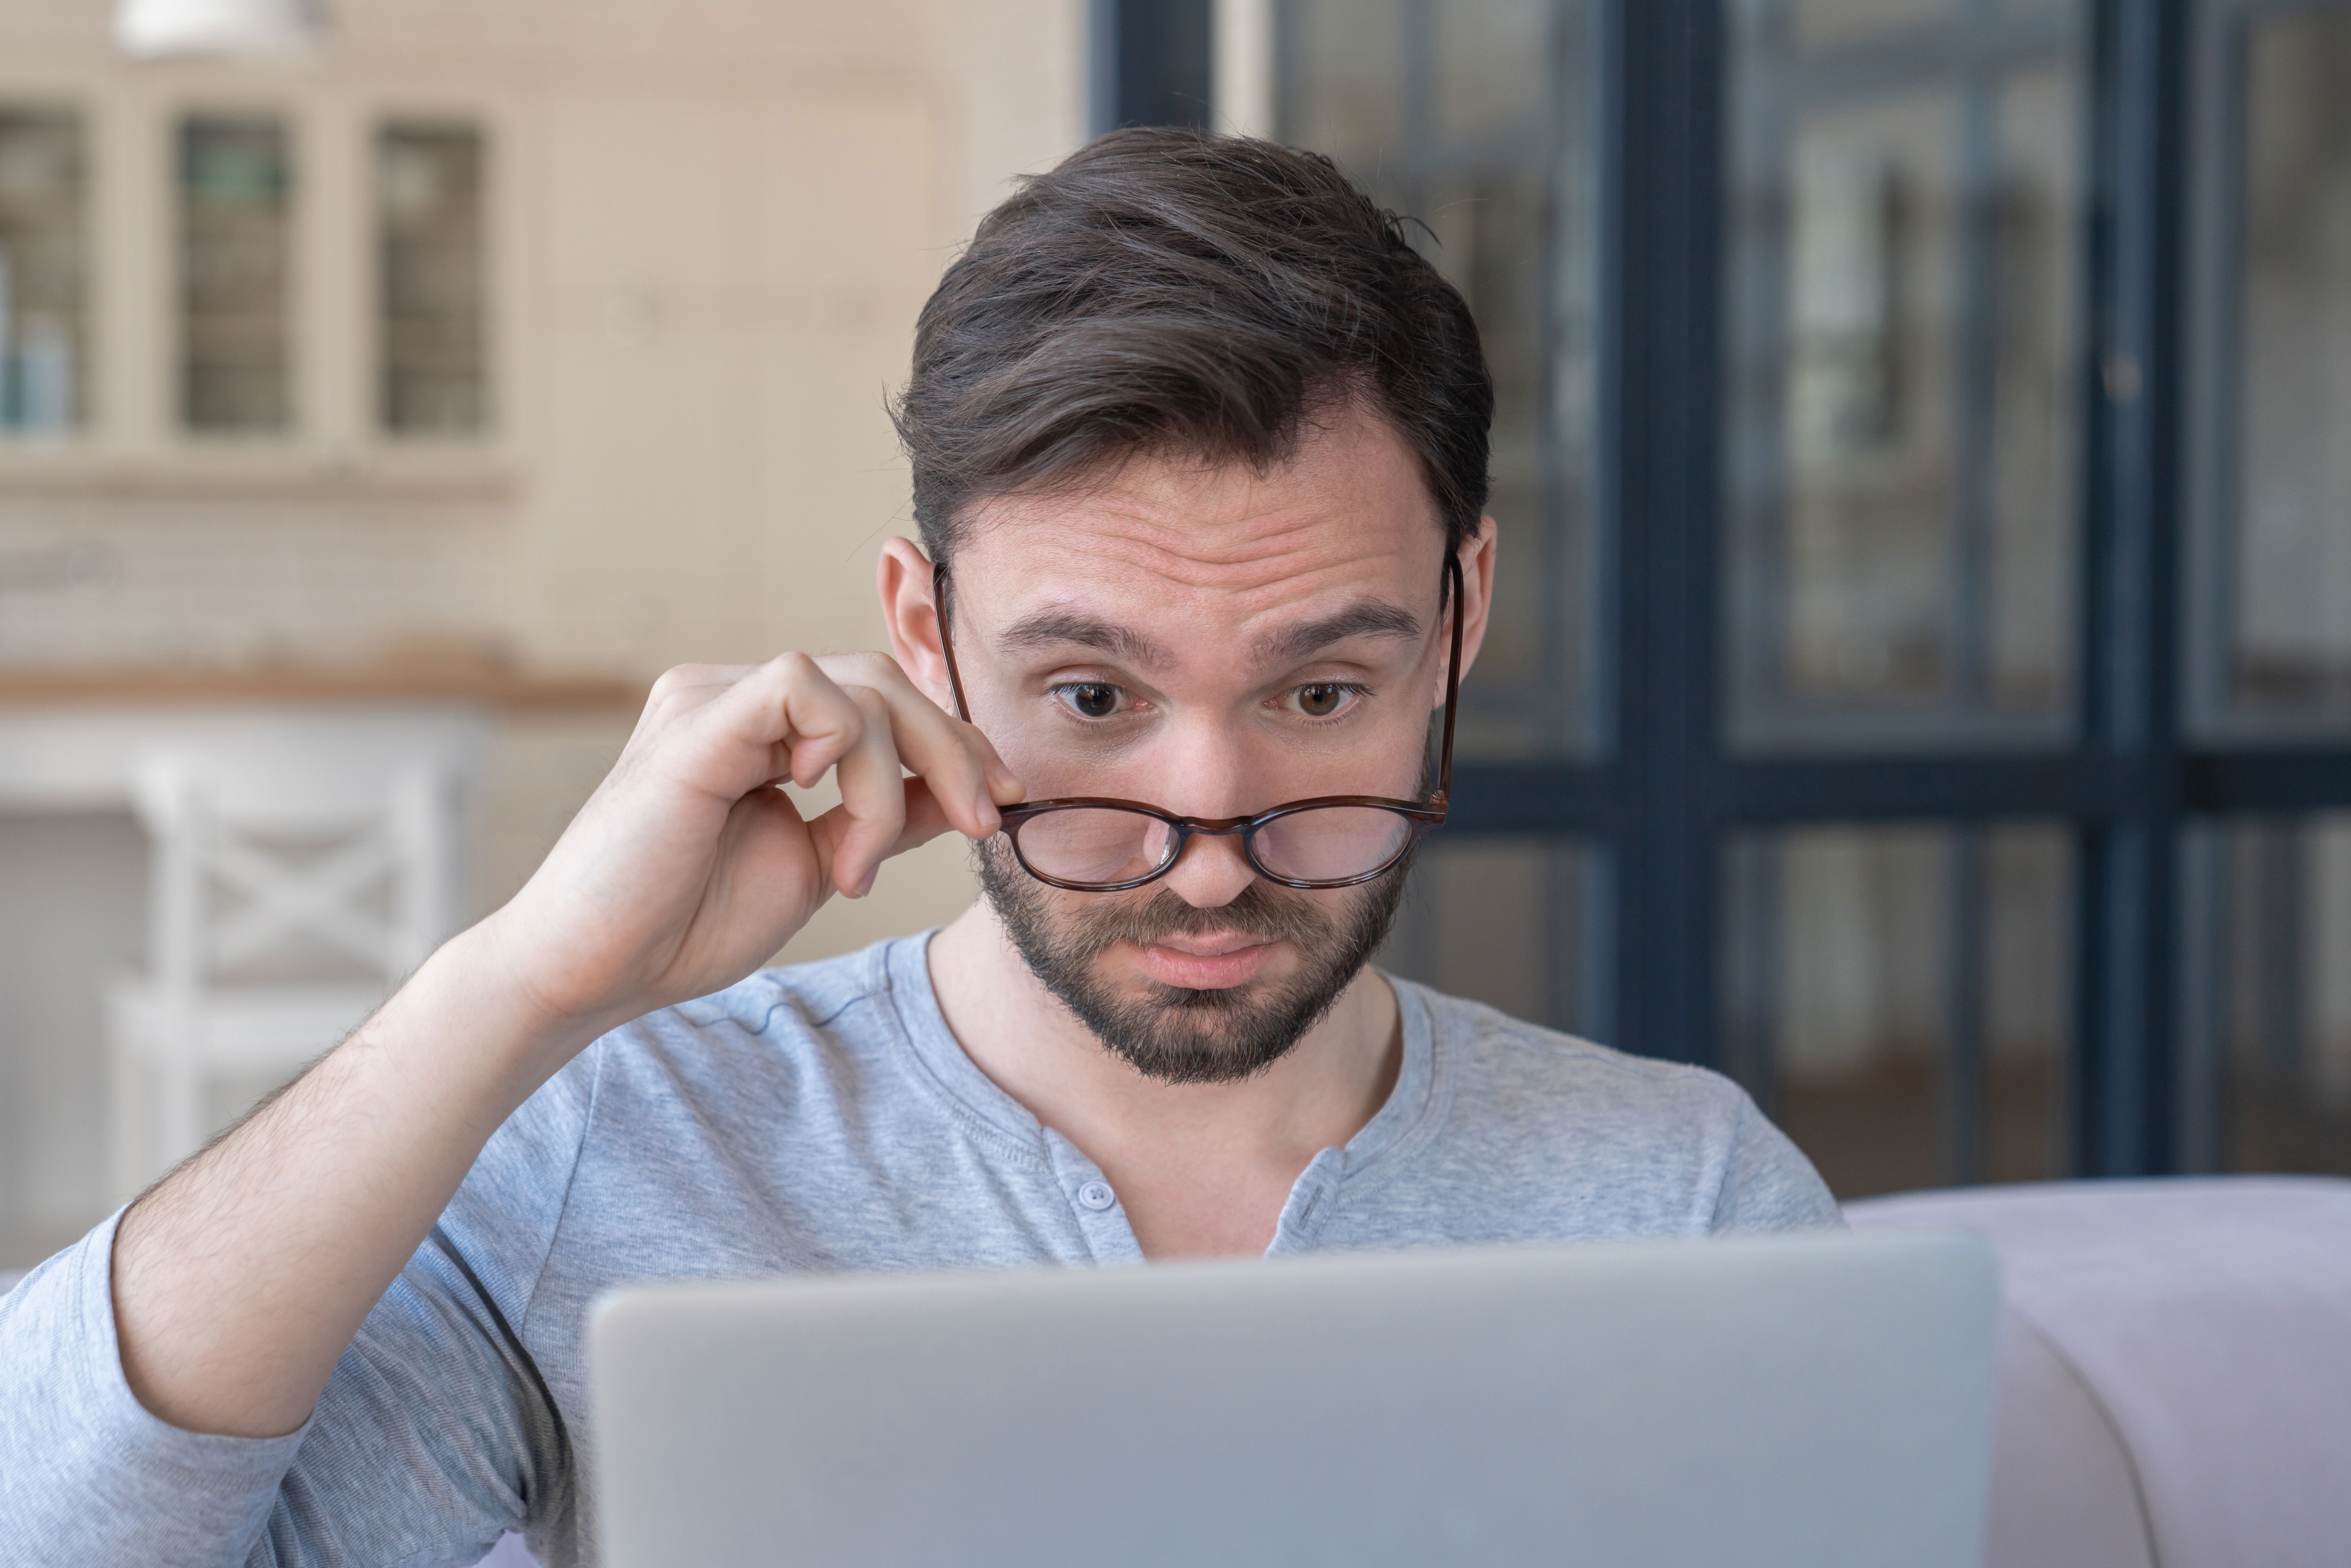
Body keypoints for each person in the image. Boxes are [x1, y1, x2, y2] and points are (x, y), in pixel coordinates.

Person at [0, 129, 1836, 1567]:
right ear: (925, 634)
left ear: (1462, 618)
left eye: (1321, 695)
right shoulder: (632, 1160)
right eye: (1095, 703)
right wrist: (523, 981)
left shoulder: (1689, 1205)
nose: (1206, 858)